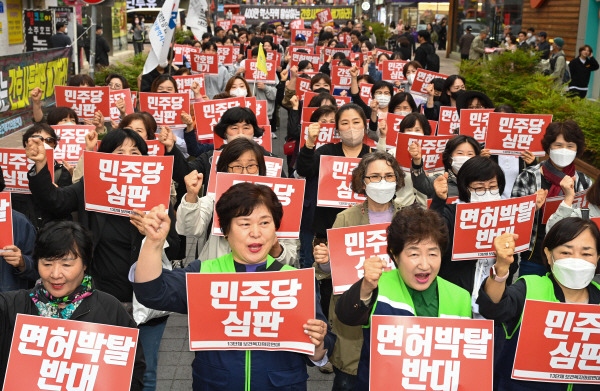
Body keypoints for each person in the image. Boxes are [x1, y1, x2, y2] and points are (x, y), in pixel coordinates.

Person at [132, 183, 334, 390]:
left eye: (265, 222)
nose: (256, 233)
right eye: (244, 224)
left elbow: (323, 341)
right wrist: (153, 243)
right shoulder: (205, 273)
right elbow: (152, 292)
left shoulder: (294, 281)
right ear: (226, 231)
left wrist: (318, 346)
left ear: (276, 230)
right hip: (216, 384)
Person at [335, 206, 472, 390]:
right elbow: (346, 315)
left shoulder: (460, 297)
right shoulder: (378, 285)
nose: (424, 265)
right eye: (414, 254)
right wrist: (366, 285)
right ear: (395, 255)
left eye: (433, 253)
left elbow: (462, 362)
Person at [0, 221, 146, 389]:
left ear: (85, 264)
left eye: (66, 265)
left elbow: (132, 372)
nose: (55, 274)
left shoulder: (110, 309)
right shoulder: (11, 306)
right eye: (47, 264)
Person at [312, 152, 407, 389]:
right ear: (362, 182)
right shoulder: (346, 218)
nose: (382, 182)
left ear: (397, 179)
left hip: (398, 310)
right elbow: (331, 271)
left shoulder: (409, 216)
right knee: (350, 379)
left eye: (388, 176)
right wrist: (324, 261)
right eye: (374, 177)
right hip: (354, 313)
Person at [478, 217, 600, 391]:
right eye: (566, 252)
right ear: (549, 255)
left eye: (586, 254)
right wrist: (502, 268)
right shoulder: (530, 287)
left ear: (597, 258)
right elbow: (493, 307)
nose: (576, 260)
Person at [430, 156, 545, 314]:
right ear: (466, 187)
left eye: (492, 187)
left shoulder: (507, 214)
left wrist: (528, 214)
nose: (487, 192)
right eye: (479, 188)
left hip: (491, 301)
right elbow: (433, 237)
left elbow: (513, 259)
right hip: (454, 299)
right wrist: (438, 201)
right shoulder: (453, 212)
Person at [176, 137, 299, 267]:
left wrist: (275, 248)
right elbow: (189, 229)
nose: (245, 173)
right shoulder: (214, 199)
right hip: (220, 279)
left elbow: (290, 259)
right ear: (225, 169)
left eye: (251, 166)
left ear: (260, 168)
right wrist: (191, 196)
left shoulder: (277, 203)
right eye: (237, 166)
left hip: (261, 282)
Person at [512, 120, 592, 277]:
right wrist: (530, 207)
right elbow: (513, 219)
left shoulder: (584, 182)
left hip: (572, 259)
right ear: (549, 147)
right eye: (558, 145)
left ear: (577, 150)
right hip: (534, 258)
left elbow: (590, 221)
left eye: (570, 146)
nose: (564, 150)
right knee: (531, 298)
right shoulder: (528, 177)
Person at [411, 134, 483, 199]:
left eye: (470, 154)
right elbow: (420, 183)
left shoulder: (484, 181)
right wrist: (417, 161)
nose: (465, 157)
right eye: (460, 153)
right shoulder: (440, 180)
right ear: (449, 158)